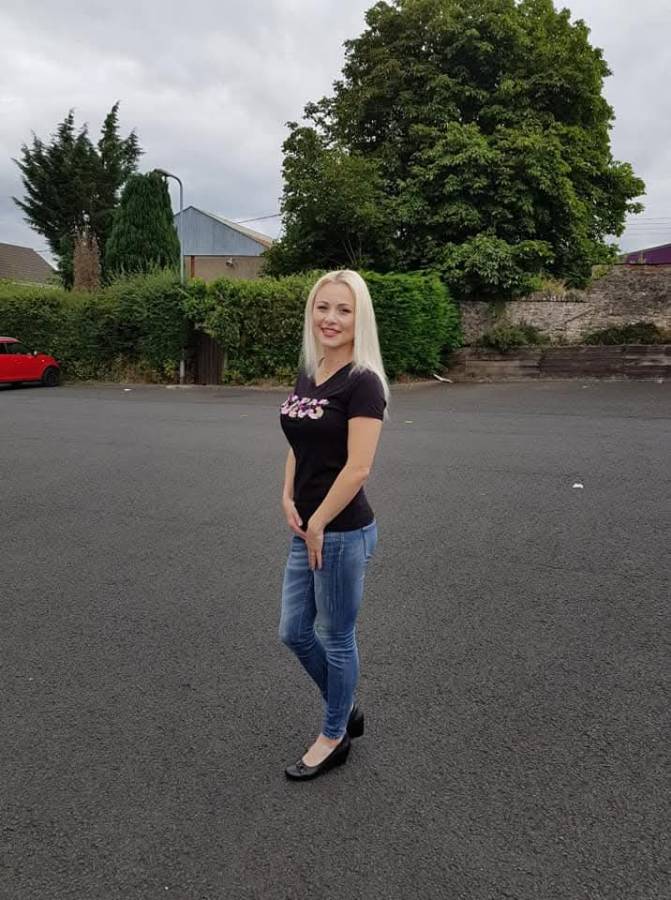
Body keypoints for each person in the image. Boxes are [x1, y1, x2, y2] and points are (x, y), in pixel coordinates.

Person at [279, 269, 390, 781]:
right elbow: (298, 442)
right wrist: (287, 495)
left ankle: (333, 734)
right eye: (322, 307)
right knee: (293, 632)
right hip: (307, 527)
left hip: (341, 531)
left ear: (359, 317)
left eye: (343, 310)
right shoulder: (313, 369)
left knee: (337, 635)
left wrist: (320, 520)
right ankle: (344, 706)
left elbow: (359, 467)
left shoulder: (363, 383)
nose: (331, 318)